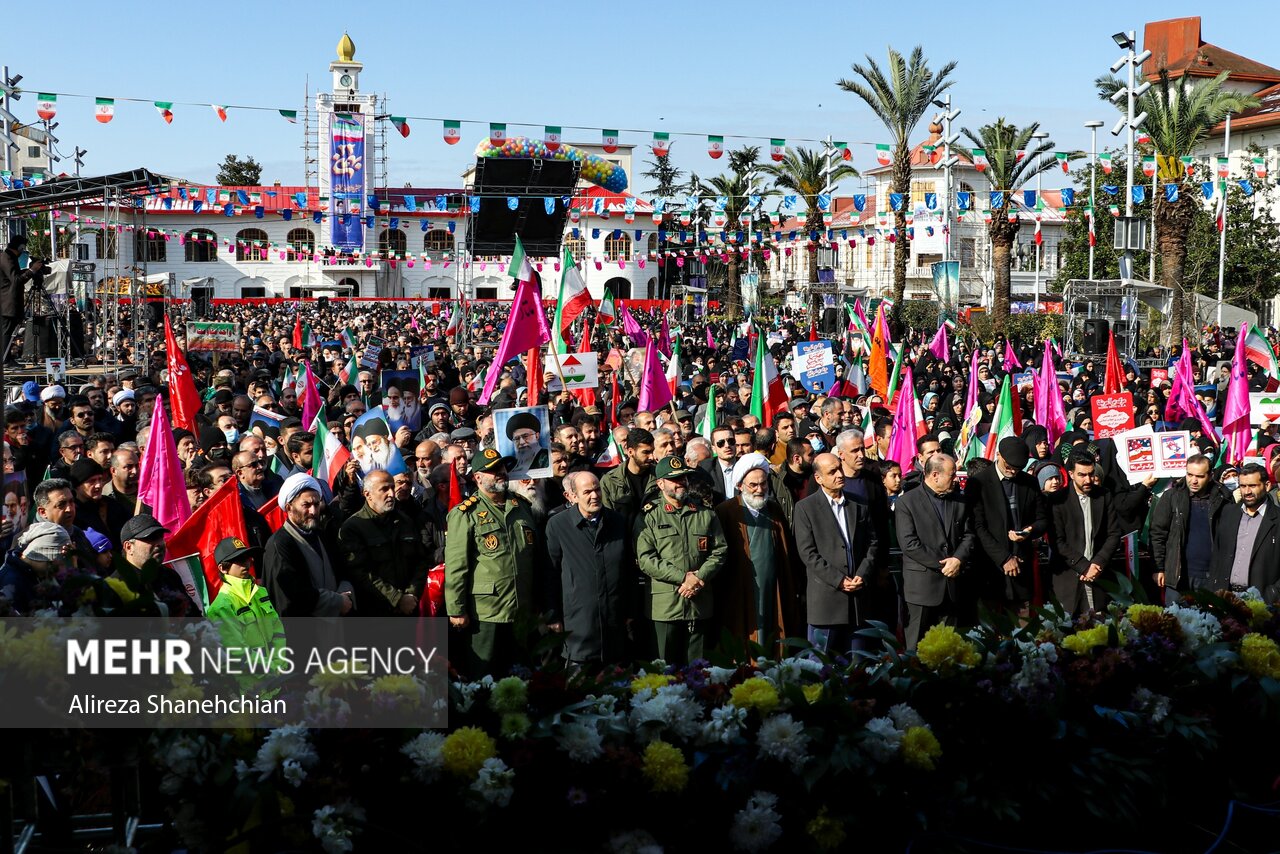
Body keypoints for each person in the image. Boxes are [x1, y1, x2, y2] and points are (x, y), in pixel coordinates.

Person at [444, 448, 545, 678]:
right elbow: (457, 565)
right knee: (486, 677)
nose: (500, 473)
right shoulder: (465, 513)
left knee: (524, 676)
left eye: (501, 468)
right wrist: (457, 609)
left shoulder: (522, 506)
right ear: (477, 477)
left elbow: (535, 558)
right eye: (492, 471)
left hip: (523, 609)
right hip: (487, 613)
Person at [636, 455, 727, 665]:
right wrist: (682, 578)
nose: (681, 483)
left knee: (699, 671)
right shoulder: (649, 515)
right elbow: (646, 558)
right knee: (664, 671)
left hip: (699, 603)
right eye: (674, 480)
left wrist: (699, 578)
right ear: (660, 484)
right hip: (666, 606)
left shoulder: (704, 513)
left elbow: (720, 550)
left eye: (684, 478)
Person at [793, 452, 881, 656]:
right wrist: (839, 580)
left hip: (858, 602)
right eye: (832, 472)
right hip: (826, 602)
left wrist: (862, 573)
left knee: (857, 664)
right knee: (820, 664)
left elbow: (872, 543)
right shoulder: (805, 508)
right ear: (819, 478)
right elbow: (808, 553)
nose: (839, 475)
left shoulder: (858, 504)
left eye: (839, 469)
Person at [713, 452, 801, 656]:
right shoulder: (726, 511)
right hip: (739, 590)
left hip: (773, 587)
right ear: (740, 485)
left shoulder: (774, 510)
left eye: (763, 484)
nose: (760, 489)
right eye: (753, 485)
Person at [544, 471, 630, 669]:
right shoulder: (558, 525)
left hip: (614, 624)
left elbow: (628, 571)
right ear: (571, 496)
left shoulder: (617, 521)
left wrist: (630, 611)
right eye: (587, 492)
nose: (595, 496)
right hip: (578, 625)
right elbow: (550, 575)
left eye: (597, 489)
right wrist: (553, 615)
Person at [895, 454, 975, 649]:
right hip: (922, 589)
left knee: (949, 648)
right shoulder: (907, 502)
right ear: (935, 475)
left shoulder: (959, 501)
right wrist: (945, 563)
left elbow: (969, 534)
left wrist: (957, 559)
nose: (956, 479)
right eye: (952, 474)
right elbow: (909, 543)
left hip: (952, 587)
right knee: (916, 648)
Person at [966, 436, 1048, 614]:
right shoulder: (978, 483)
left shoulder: (1029, 482)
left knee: (1023, 631)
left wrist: (1030, 531)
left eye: (1018, 468)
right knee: (992, 630)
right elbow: (978, 527)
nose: (1013, 471)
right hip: (991, 568)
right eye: (1009, 466)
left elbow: (1042, 519)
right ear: (999, 456)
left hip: (1021, 566)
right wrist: (1004, 558)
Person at [338, 470, 431, 617]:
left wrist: (411, 595)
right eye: (384, 489)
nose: (392, 494)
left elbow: (420, 561)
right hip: (375, 614)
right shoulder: (353, 528)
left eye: (392, 488)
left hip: (409, 609)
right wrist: (397, 599)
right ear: (367, 494)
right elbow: (361, 573)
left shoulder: (405, 521)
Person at [263, 473, 355, 617]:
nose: (313, 511)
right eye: (306, 505)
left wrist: (346, 592)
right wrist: (336, 601)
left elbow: (342, 570)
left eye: (316, 504)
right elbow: (290, 596)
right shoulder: (280, 544)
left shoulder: (322, 535)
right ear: (289, 508)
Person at [204, 536, 287, 689]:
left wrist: (278, 664)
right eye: (239, 559)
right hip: (249, 693)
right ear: (223, 568)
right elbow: (237, 654)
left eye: (247, 557)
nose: (247, 563)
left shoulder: (260, 592)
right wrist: (272, 670)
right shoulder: (221, 607)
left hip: (277, 684)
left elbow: (278, 632)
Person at [1149, 453, 1232, 604]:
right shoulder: (1172, 497)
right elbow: (1157, 533)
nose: (1193, 480)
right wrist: (1158, 568)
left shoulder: (1224, 498)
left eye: (1199, 476)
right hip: (1178, 576)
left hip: (1211, 577)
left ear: (1210, 475)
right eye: (1189, 474)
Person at [1049, 452, 1121, 617]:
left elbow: (1114, 534)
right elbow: (1057, 541)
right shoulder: (1058, 499)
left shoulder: (1104, 495)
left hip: (1099, 577)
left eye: (1091, 474)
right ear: (1071, 474)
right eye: (1082, 475)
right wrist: (1084, 566)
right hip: (1069, 579)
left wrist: (1098, 563)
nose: (1088, 480)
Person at [1208, 463, 1280, 601]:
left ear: (1267, 485)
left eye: (1252, 486)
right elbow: (1217, 556)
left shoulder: (1277, 519)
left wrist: (1272, 594)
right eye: (1243, 486)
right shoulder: (1228, 513)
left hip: (1262, 602)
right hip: (1226, 598)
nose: (1247, 492)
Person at [0, 521, 70, 614]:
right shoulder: (10, 583)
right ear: (42, 552)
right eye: (53, 560)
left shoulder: (41, 575)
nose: (58, 566)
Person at [600, 427, 655, 532]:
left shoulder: (659, 476)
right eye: (646, 452)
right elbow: (607, 519)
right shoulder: (610, 481)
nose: (651, 457)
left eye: (652, 451)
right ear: (630, 452)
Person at [0, 234, 43, 364]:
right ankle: (5, 359)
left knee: (8, 331)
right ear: (20, 247)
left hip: (7, 303)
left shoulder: (8, 257)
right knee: (7, 332)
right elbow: (16, 280)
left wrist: (29, 270)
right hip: (7, 303)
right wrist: (32, 270)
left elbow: (15, 276)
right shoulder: (7, 258)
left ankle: (6, 357)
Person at [700, 425, 739, 504]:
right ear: (713, 448)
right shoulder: (705, 469)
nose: (727, 445)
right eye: (721, 443)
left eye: (731, 441)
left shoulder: (746, 465)